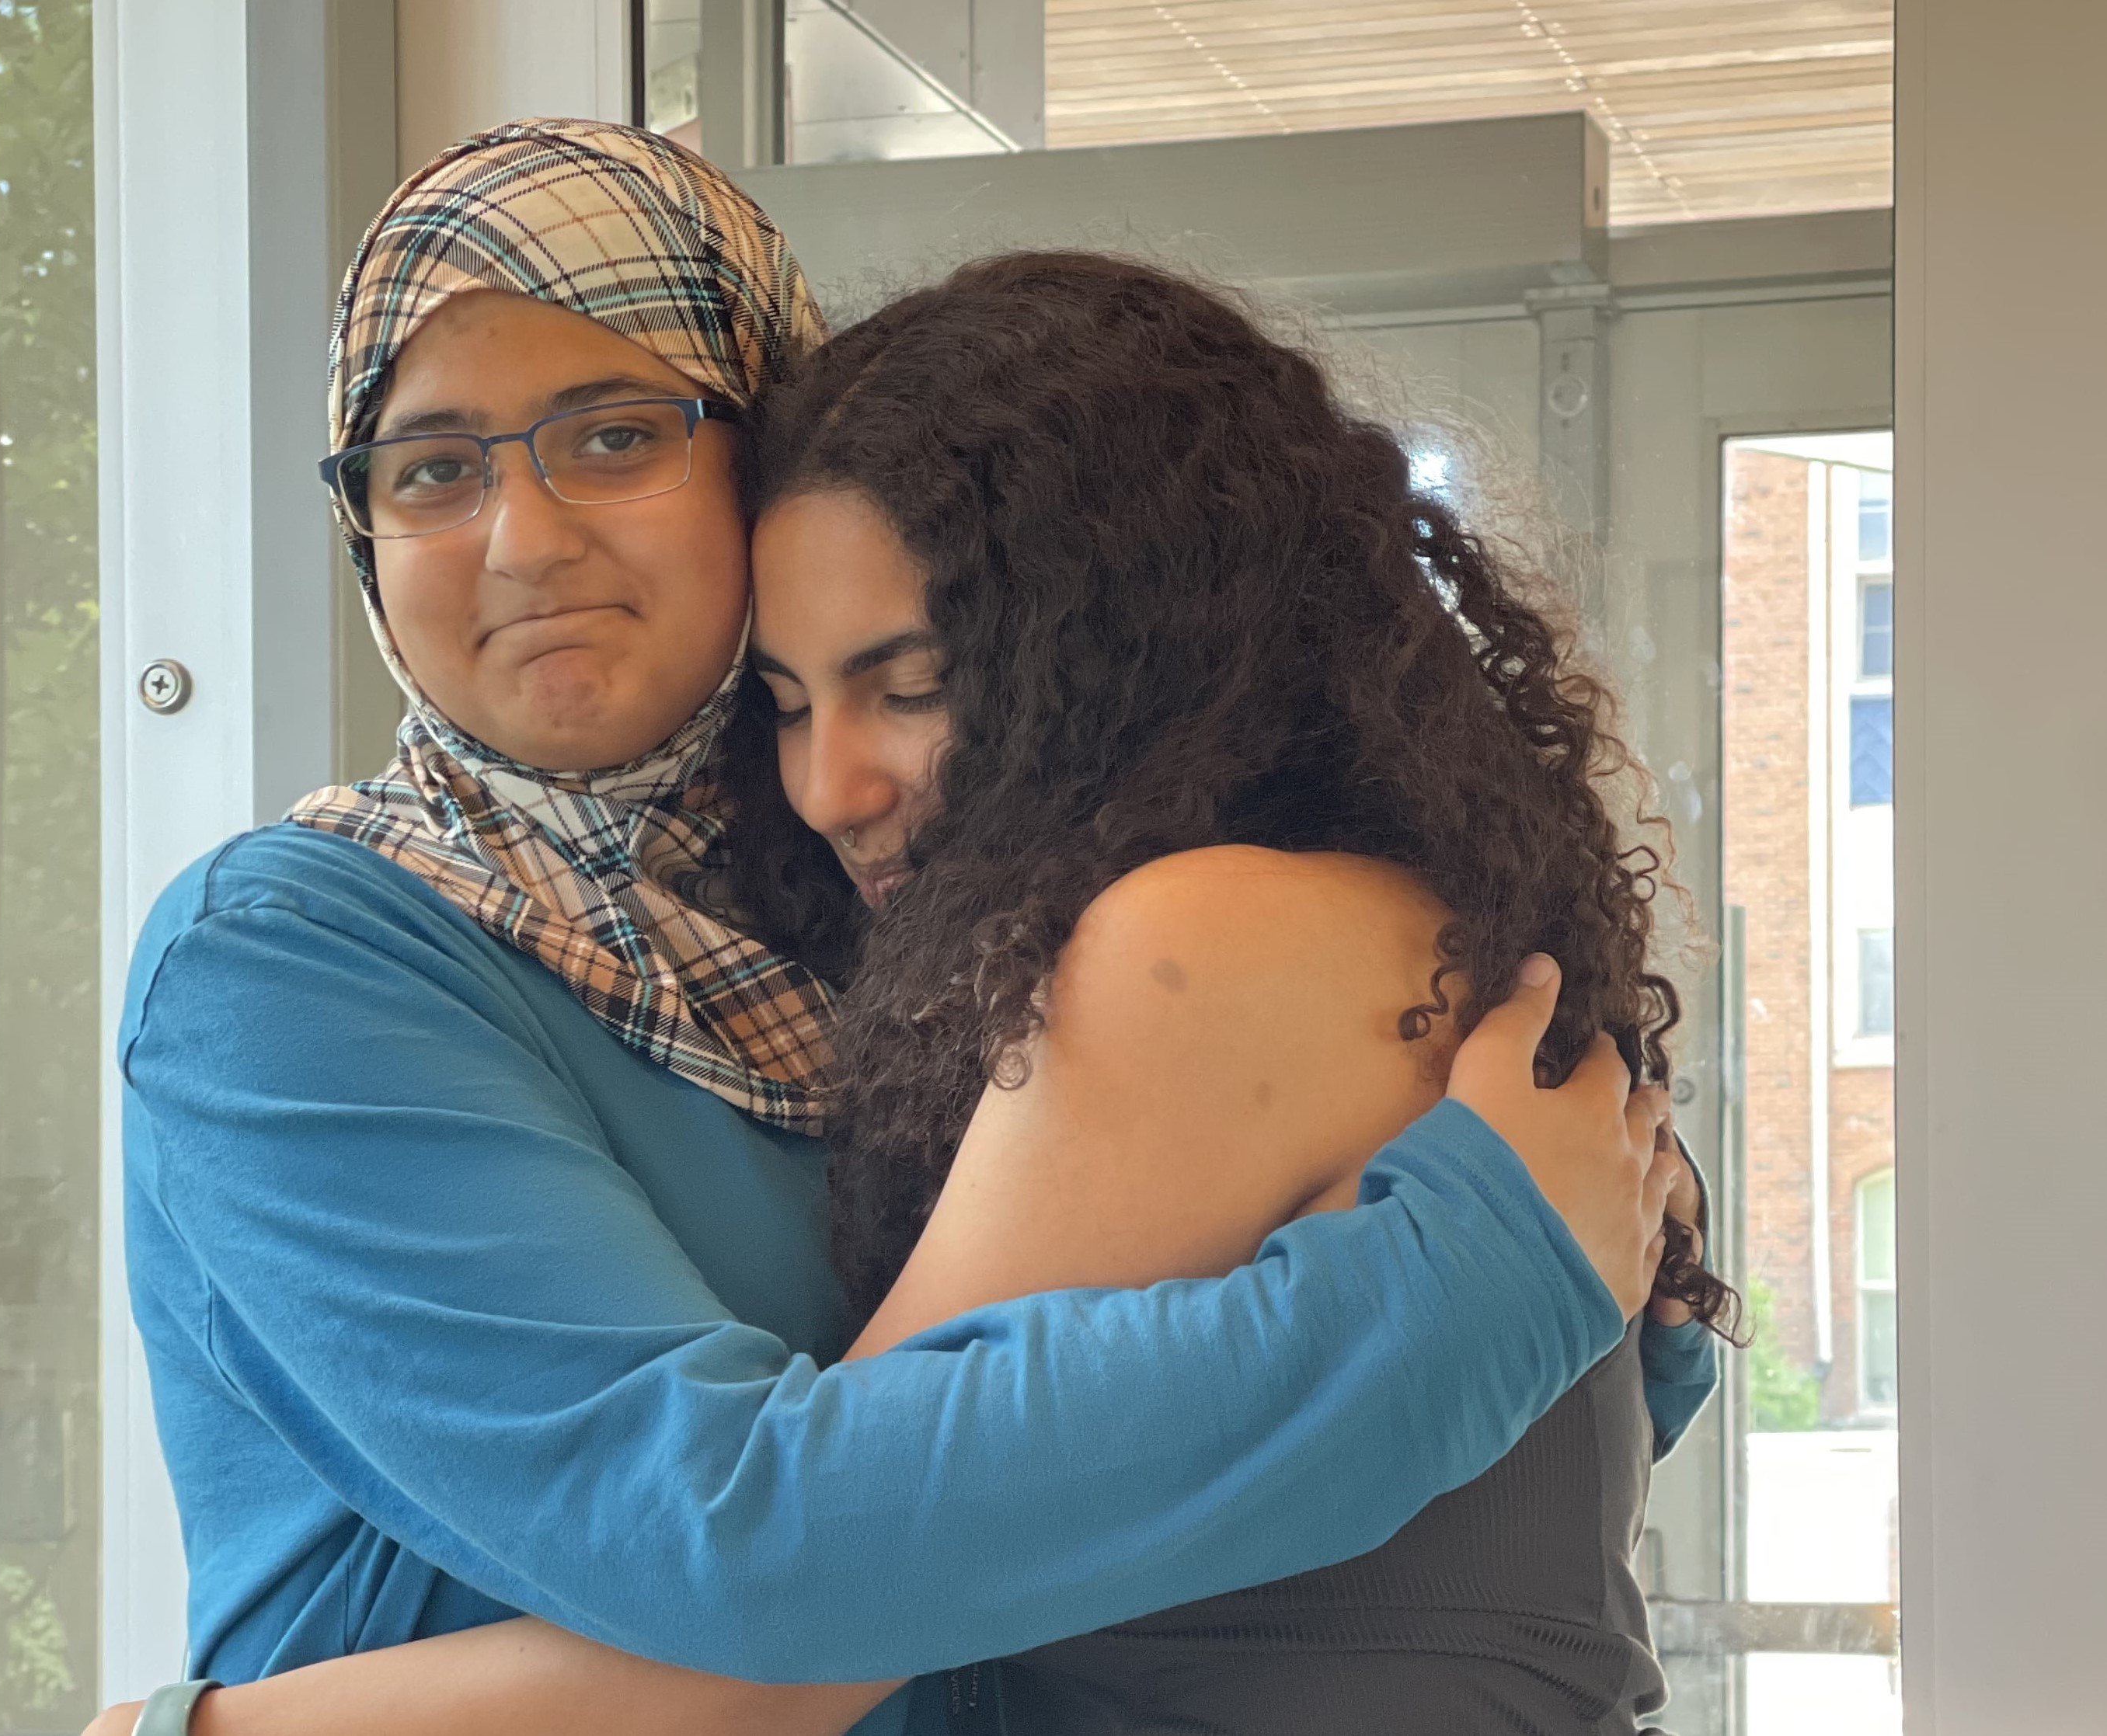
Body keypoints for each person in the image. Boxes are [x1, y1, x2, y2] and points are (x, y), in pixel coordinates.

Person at [96, 121, 1698, 1736]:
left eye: (611, 434)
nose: (521, 535)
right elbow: (759, 1539)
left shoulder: (937, 916)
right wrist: (1459, 1297)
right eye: (429, 467)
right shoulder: (292, 958)